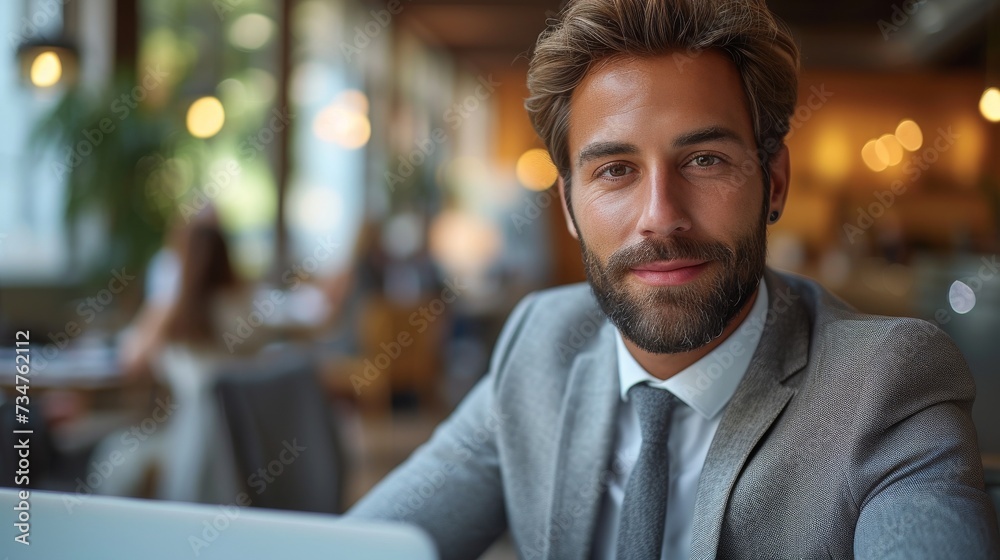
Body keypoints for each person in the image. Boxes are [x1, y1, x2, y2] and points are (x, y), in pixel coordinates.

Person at [347, 0, 1000, 558]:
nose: (661, 217)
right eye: (615, 170)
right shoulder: (540, 346)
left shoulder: (887, 385)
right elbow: (361, 547)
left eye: (705, 159)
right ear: (570, 206)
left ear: (773, 180)